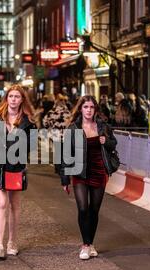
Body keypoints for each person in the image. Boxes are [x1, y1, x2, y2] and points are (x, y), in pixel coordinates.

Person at [60, 95, 117, 260]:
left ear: (95, 109)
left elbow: (113, 144)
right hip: (80, 172)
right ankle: (85, 245)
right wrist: (65, 179)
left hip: (99, 171)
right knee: (83, 208)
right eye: (86, 107)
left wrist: (105, 141)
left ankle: (91, 243)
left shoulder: (103, 127)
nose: (89, 110)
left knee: (94, 210)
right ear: (81, 109)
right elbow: (66, 155)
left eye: (92, 107)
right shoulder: (73, 129)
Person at [0, 85, 36, 260]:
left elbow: (32, 144)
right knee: (1, 204)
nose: (14, 99)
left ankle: (12, 242)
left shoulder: (28, 121)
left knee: (14, 205)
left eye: (17, 96)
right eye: (11, 96)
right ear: (6, 98)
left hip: (16, 166)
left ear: (22, 99)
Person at [43, 94, 72, 174]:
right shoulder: (67, 112)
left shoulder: (52, 112)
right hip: (65, 135)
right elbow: (71, 123)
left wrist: (49, 129)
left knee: (57, 151)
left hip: (55, 134)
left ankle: (58, 168)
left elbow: (45, 122)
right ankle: (63, 167)